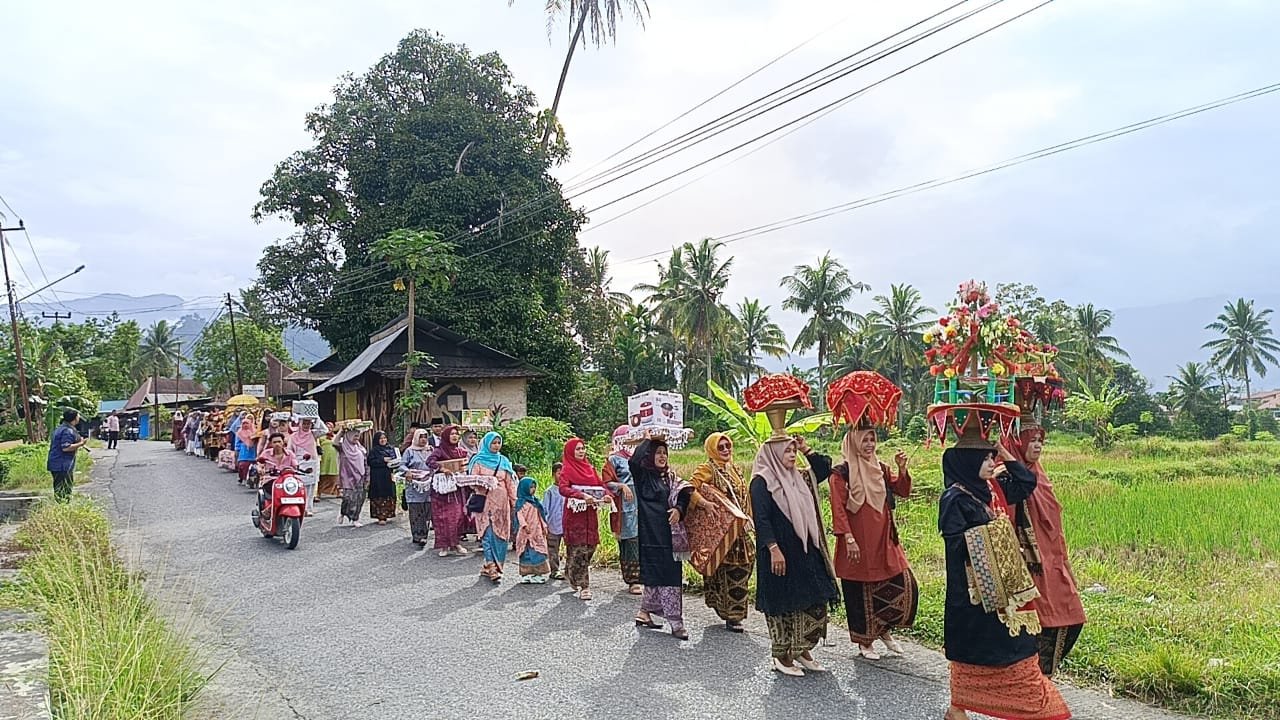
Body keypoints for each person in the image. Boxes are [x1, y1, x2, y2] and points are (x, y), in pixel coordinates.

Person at [940, 432, 1071, 720]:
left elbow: (1026, 481)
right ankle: (959, 705)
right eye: (985, 458)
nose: (991, 462)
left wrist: (1002, 449)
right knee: (977, 648)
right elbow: (955, 544)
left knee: (1017, 647)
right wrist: (995, 533)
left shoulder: (991, 489)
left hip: (1003, 588)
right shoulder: (954, 498)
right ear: (967, 461)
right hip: (973, 592)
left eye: (991, 456)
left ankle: (1023, 704)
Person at [750, 435, 839, 677]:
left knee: (814, 598)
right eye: (787, 451)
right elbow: (762, 519)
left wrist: (805, 447)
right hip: (778, 552)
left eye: (793, 450)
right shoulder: (762, 481)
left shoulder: (798, 478)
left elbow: (823, 468)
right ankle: (781, 655)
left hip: (803, 550)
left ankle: (801, 648)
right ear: (773, 454)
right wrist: (773, 549)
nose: (792, 455)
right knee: (782, 604)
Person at [829, 427, 918, 659]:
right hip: (857, 540)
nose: (869, 444)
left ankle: (884, 631)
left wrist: (902, 468)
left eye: (872, 439)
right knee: (859, 588)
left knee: (902, 582)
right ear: (853, 442)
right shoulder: (842, 472)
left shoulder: (881, 468)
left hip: (884, 538)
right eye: (864, 440)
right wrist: (848, 538)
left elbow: (902, 490)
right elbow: (838, 508)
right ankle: (864, 641)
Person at [1012, 422, 1087, 677]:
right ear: (1018, 443)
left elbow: (1055, 525)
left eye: (1040, 441)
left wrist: (1065, 562)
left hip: (1053, 560)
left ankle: (1041, 676)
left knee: (1072, 616)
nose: (1037, 446)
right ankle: (1036, 680)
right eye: (1031, 440)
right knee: (1039, 621)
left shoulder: (1040, 475)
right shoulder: (1009, 476)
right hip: (1030, 563)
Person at [688, 432, 755, 632]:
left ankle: (734, 611)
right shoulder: (707, 469)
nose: (726, 450)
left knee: (745, 567)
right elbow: (689, 489)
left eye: (728, 446)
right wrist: (704, 503)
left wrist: (750, 517)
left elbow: (745, 496)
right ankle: (731, 615)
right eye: (721, 447)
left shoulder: (735, 468)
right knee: (726, 570)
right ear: (712, 450)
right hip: (722, 532)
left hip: (741, 530)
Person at [631, 438, 694, 640]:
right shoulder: (643, 476)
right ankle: (676, 623)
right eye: (657, 452)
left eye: (664, 452)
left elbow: (684, 495)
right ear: (649, 455)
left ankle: (644, 612)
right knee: (659, 574)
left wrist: (678, 509)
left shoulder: (671, 477)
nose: (662, 456)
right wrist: (650, 438)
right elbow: (634, 461)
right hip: (651, 536)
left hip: (671, 537)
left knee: (667, 574)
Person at [557, 438, 609, 601]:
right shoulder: (567, 469)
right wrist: (581, 495)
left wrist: (607, 495)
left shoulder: (590, 468)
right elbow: (563, 488)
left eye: (583, 448)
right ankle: (584, 586)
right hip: (575, 516)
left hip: (590, 515)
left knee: (590, 547)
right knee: (578, 549)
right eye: (578, 449)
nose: (581, 451)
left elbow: (601, 485)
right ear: (570, 452)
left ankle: (571, 572)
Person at [467, 431, 517, 582]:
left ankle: (492, 565)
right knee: (487, 534)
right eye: (493, 443)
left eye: (498, 443)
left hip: (502, 505)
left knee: (501, 536)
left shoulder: (504, 461)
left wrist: (516, 503)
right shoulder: (477, 460)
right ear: (487, 444)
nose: (496, 446)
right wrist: (483, 482)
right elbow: (471, 481)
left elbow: (510, 484)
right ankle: (492, 566)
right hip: (485, 503)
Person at [602, 426, 641, 594]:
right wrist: (621, 486)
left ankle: (644, 577)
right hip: (624, 506)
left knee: (642, 541)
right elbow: (606, 482)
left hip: (642, 504)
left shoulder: (640, 457)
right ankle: (632, 579)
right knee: (629, 542)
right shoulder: (614, 459)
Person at [426, 425, 471, 556]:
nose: (455, 436)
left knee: (457, 516)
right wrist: (442, 468)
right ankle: (444, 546)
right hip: (442, 492)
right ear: (446, 436)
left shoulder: (460, 451)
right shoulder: (439, 450)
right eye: (451, 434)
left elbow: (465, 464)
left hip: (457, 489)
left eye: (456, 434)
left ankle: (456, 543)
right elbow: (430, 461)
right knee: (442, 517)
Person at [514, 476, 551, 583]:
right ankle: (526, 574)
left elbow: (540, 516)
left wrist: (544, 526)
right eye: (531, 487)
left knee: (538, 552)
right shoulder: (521, 503)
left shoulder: (535, 502)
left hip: (536, 531)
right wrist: (524, 525)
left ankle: (538, 573)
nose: (533, 489)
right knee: (525, 553)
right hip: (525, 532)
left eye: (534, 487)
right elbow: (519, 515)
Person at [402, 429, 435, 546]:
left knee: (427, 510)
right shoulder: (409, 451)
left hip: (428, 485)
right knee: (416, 511)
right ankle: (418, 535)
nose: (423, 439)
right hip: (415, 486)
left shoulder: (430, 450)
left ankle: (424, 534)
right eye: (421, 437)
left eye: (425, 437)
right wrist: (407, 472)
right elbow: (402, 465)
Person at [47, 408, 85, 502]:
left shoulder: (60, 428)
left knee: (59, 487)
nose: (79, 418)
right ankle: (64, 505)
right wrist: (81, 444)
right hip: (62, 464)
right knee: (65, 487)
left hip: (57, 463)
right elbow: (66, 448)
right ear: (74, 418)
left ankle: (61, 505)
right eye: (78, 416)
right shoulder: (67, 431)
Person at [289, 417, 321, 517]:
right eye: (304, 424)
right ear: (300, 424)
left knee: (311, 488)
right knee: (301, 488)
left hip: (312, 463)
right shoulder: (293, 436)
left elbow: (324, 430)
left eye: (308, 424)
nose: (306, 426)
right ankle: (301, 508)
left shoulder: (313, 434)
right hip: (299, 463)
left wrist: (316, 417)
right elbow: (289, 451)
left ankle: (309, 509)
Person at [337, 429, 368, 528]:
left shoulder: (360, 448)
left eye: (358, 436)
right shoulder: (343, 447)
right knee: (347, 497)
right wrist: (341, 432)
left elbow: (365, 462)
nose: (356, 438)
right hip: (347, 476)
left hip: (360, 476)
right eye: (354, 436)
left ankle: (355, 518)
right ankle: (343, 512)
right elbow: (334, 442)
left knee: (359, 498)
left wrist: (367, 476)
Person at [367, 431, 399, 525]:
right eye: (381, 438)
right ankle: (381, 517)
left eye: (384, 438)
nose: (383, 440)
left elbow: (396, 460)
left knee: (389, 494)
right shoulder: (374, 451)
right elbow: (370, 462)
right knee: (379, 495)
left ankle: (389, 514)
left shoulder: (391, 449)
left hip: (388, 475)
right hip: (378, 476)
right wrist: (382, 460)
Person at [542, 461, 567, 580]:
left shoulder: (568, 490)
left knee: (571, 548)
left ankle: (568, 570)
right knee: (553, 549)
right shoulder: (550, 491)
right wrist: (544, 525)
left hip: (567, 524)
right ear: (553, 474)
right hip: (553, 524)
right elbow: (545, 509)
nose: (561, 475)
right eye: (558, 473)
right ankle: (555, 570)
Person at [317, 426, 340, 498]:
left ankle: (336, 491)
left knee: (335, 475)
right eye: (327, 427)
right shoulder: (320, 437)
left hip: (334, 458)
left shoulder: (336, 436)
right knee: (322, 474)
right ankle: (318, 492)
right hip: (324, 457)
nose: (329, 428)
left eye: (330, 427)